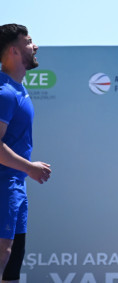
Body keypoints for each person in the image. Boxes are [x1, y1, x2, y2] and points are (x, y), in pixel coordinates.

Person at [0, 24, 51, 283]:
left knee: (13, 261)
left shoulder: (18, 89)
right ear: (14, 51)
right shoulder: (4, 93)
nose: (35, 46)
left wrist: (25, 171)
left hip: (16, 186)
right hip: (3, 186)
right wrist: (30, 167)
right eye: (29, 41)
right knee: (3, 254)